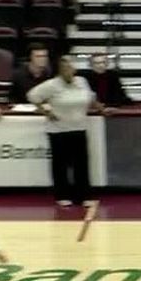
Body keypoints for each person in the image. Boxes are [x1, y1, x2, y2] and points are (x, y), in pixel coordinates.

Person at [26, 56, 105, 208]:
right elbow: (32, 96)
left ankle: (84, 195)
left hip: (79, 128)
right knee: (60, 165)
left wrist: (102, 109)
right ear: (60, 70)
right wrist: (46, 111)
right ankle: (62, 195)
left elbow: (91, 98)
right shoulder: (51, 85)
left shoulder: (82, 81)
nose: (69, 70)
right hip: (58, 130)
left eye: (71, 67)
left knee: (81, 164)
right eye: (65, 67)